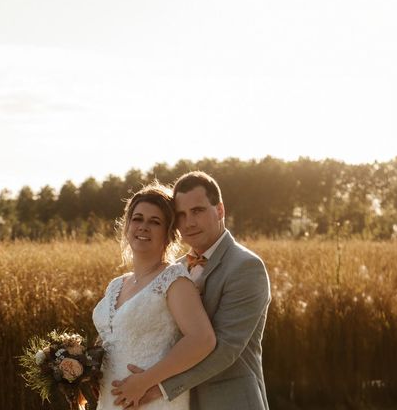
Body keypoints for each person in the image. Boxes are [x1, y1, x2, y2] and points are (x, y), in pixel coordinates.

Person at [112, 171, 271, 410]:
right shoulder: (174, 270)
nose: (189, 223)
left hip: (229, 401)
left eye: (197, 211)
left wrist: (157, 387)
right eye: (181, 215)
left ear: (220, 210)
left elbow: (226, 348)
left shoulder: (246, 266)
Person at [92, 183, 216, 409]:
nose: (143, 227)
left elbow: (202, 340)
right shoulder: (116, 285)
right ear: (127, 226)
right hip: (110, 400)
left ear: (169, 234)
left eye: (155, 222)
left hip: (151, 401)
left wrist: (145, 381)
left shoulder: (174, 281)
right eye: (137, 219)